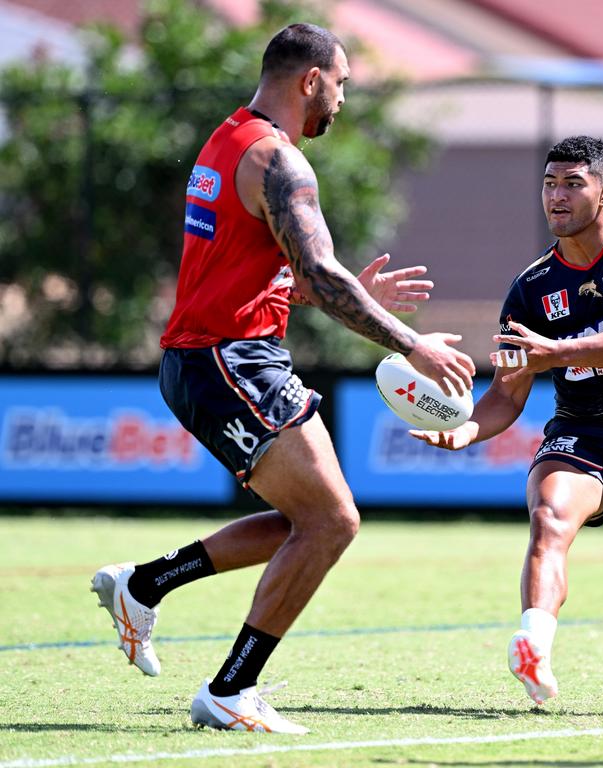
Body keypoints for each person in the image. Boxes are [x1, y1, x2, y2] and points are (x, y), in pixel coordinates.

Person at [90, 23, 475, 734]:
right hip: (227, 360)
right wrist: (412, 344)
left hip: (212, 358)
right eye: (343, 84)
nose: (343, 99)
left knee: (310, 520)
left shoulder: (227, 138)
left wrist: (335, 293)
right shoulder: (281, 161)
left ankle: (145, 584)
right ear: (311, 79)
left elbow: (264, 271)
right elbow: (319, 273)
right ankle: (231, 690)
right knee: (332, 520)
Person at [411, 136, 603, 715]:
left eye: (573, 183)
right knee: (548, 521)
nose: (557, 196)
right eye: (550, 184)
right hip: (582, 430)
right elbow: (507, 392)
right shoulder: (530, 289)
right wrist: (468, 429)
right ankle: (534, 648)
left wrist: (553, 351)